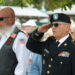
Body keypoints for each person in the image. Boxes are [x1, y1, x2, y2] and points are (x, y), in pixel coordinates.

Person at [0, 7, 28, 75]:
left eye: (0, 19)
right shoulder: (4, 36)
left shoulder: (20, 37)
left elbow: (22, 65)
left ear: (10, 20)